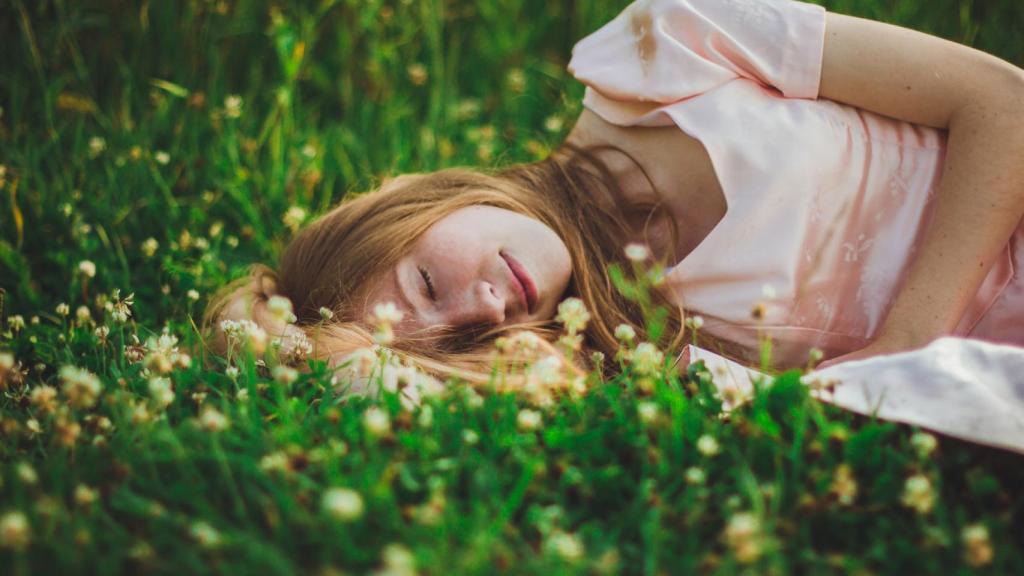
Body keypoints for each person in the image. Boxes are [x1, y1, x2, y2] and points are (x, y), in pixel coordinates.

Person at [206, 0, 1024, 396]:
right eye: (462, 343)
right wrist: (288, 347)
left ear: (414, 202)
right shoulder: (658, 354)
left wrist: (911, 340)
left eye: (425, 283)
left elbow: (1001, 100)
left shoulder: (663, 50)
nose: (486, 310)